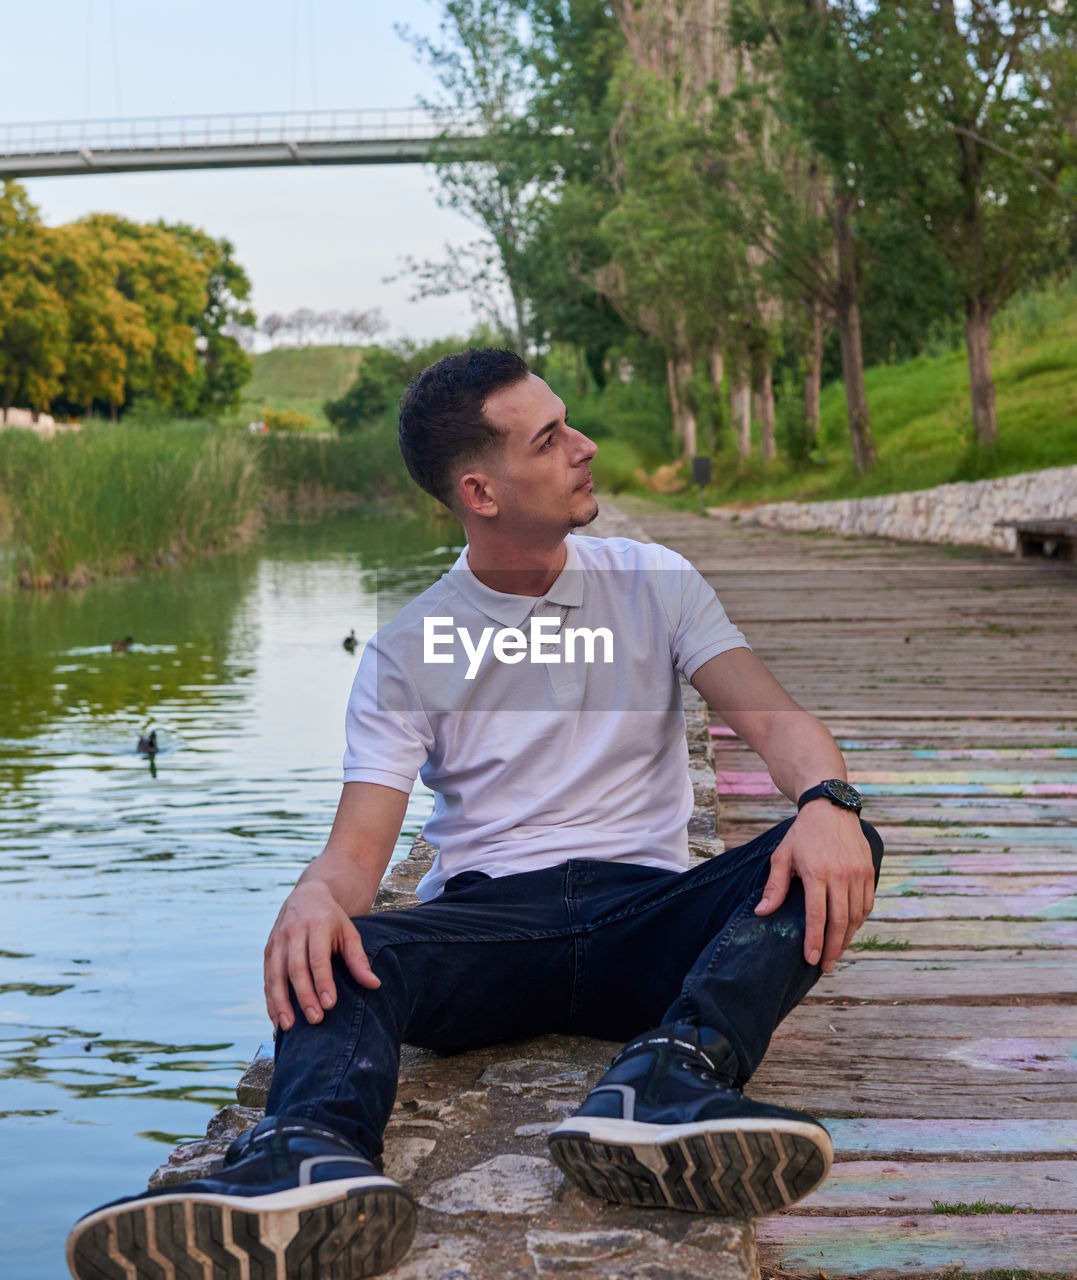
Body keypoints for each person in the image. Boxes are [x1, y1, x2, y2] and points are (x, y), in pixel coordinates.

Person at [67, 349, 883, 1280]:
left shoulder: (654, 581)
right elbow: (356, 855)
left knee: (836, 836)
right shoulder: (406, 650)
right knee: (350, 945)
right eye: (549, 439)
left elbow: (776, 723)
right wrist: (310, 899)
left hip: (649, 925)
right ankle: (305, 1157)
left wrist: (827, 799)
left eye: (567, 423)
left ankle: (670, 1076)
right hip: (495, 929)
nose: (582, 447)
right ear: (481, 492)